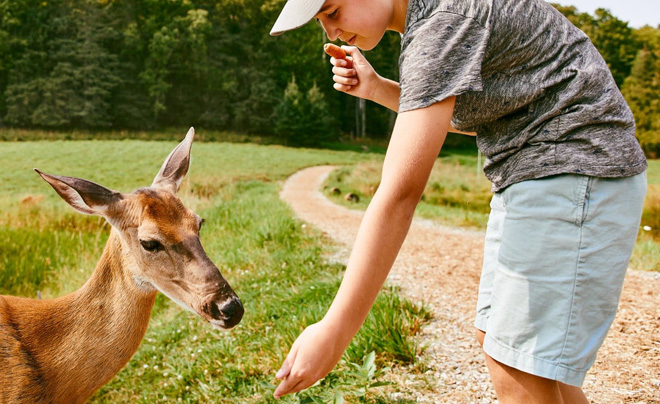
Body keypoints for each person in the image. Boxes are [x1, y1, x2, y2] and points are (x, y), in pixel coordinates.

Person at [267, 0, 648, 403]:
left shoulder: (441, 24)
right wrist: (378, 89)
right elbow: (477, 114)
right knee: (519, 352)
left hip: (574, 170)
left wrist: (334, 329)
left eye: (332, 11)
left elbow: (399, 195)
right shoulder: (433, 20)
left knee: (516, 363)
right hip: (545, 173)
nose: (330, 31)